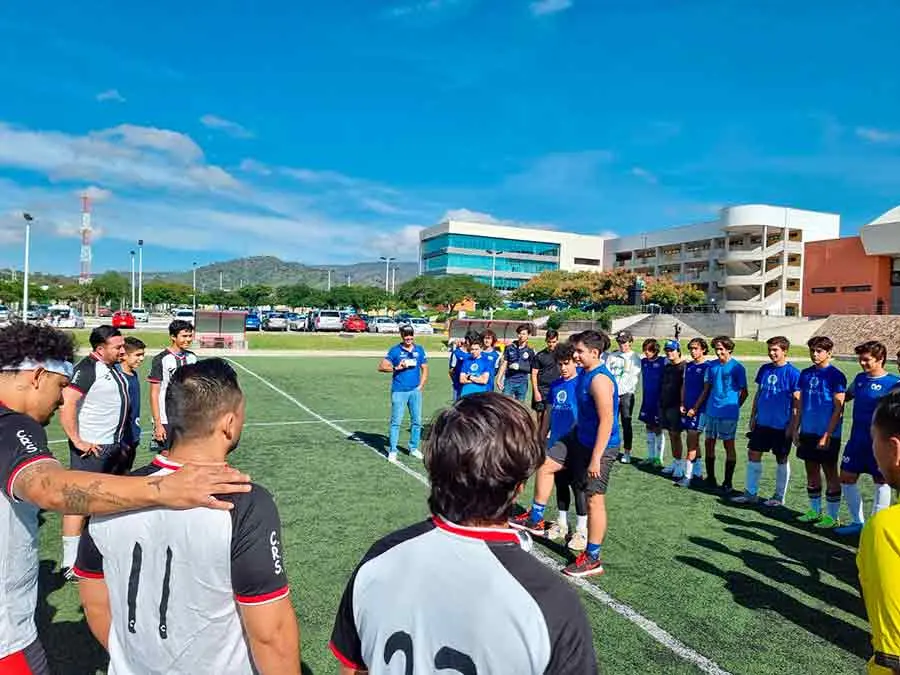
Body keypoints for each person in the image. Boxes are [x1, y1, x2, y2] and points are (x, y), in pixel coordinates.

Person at [0, 322, 250, 673]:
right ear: (37, 376)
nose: (61, 398)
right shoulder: (11, 424)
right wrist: (162, 489)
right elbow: (48, 487)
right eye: (60, 386)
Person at [330, 393, 597, 674]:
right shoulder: (551, 601)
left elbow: (353, 668)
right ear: (519, 486)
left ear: (434, 469)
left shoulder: (379, 558)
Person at [74, 359, 300, 674]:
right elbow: (271, 636)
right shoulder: (245, 502)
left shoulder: (112, 494)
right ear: (229, 423)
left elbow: (95, 604)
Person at [59, 325, 130, 576]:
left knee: (107, 501)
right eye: (117, 347)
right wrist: (77, 441)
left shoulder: (112, 368)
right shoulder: (87, 369)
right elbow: (67, 403)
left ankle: (100, 552)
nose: (123, 350)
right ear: (100, 349)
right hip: (92, 448)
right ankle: (70, 563)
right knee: (78, 502)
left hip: (113, 446)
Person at [834, 341, 900, 536]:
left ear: (880, 359)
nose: (862, 363)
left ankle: (874, 528)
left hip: (880, 443)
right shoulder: (860, 379)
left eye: (866, 359)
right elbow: (847, 395)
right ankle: (858, 522)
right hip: (857, 440)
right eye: (860, 359)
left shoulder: (894, 383)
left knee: (881, 482)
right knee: (846, 477)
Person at [858, 389, 900, 674]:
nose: (873, 449)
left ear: (895, 449)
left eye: (874, 438)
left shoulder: (886, 528)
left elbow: (893, 656)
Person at [732, 336, 801, 506]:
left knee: (781, 458)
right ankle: (751, 493)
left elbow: (797, 403)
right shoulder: (764, 369)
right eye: (770, 350)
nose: (771, 353)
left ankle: (778, 496)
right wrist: (753, 416)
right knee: (753, 453)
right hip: (762, 422)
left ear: (785, 351)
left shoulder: (793, 373)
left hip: (782, 424)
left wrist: (793, 427)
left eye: (775, 350)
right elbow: (759, 394)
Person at [794, 336, 847, 529]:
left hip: (827, 434)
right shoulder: (805, 374)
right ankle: (814, 511)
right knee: (811, 472)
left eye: (819, 351)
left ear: (829, 352)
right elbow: (799, 405)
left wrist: (827, 435)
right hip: (808, 430)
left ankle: (832, 517)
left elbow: (838, 409)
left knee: (830, 472)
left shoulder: (836, 375)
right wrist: (795, 429)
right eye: (812, 351)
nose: (815, 354)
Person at [545, 342, 588, 552]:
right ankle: (561, 523)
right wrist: (541, 436)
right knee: (560, 485)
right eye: (560, 364)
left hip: (578, 445)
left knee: (579, 487)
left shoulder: (583, 383)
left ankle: (581, 530)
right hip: (556, 445)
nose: (563, 368)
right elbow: (549, 414)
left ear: (575, 362)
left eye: (566, 363)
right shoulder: (555, 386)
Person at [693, 336, 748, 494]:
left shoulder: (737, 367)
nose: (718, 352)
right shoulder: (711, 366)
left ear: (729, 349)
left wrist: (734, 407)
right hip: (711, 411)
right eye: (716, 349)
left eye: (721, 349)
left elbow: (744, 392)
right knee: (709, 443)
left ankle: (727, 482)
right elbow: (707, 387)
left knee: (728, 445)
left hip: (728, 413)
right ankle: (711, 478)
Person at [379, 325, 428, 462]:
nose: (409, 338)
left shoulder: (419, 350)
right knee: (396, 422)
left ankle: (413, 448)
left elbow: (425, 368)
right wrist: (396, 367)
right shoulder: (395, 351)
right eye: (406, 335)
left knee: (417, 421)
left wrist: (421, 385)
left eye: (411, 335)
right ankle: (393, 450)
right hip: (399, 391)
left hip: (415, 392)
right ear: (401, 335)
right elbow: (382, 366)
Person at [148, 319, 198, 453]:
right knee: (166, 455)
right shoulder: (161, 359)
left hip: (187, 417)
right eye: (184, 336)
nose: (188, 339)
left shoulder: (192, 358)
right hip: (166, 417)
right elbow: (154, 393)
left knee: (185, 454)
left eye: (190, 336)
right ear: (173, 337)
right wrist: (158, 423)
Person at [676, 338, 710, 487]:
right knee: (693, 440)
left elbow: (706, 389)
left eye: (696, 348)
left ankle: (687, 477)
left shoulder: (707, 367)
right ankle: (697, 472)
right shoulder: (688, 366)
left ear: (703, 349)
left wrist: (695, 408)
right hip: (687, 408)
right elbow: (684, 385)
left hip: (699, 410)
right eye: (691, 348)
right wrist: (682, 403)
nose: (693, 351)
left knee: (691, 440)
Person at [605, 330, 641, 464]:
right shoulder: (612, 356)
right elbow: (607, 374)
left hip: (626, 395)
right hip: (612, 394)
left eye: (625, 342)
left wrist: (621, 393)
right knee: (610, 422)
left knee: (626, 423)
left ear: (630, 342)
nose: (622, 344)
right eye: (620, 342)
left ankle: (627, 452)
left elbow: (633, 379)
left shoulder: (634, 358)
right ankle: (610, 450)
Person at [659, 340, 687, 479]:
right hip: (666, 404)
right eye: (667, 350)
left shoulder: (683, 367)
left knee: (676, 435)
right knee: (671, 434)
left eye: (672, 350)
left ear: (678, 351)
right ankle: (675, 462)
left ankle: (680, 465)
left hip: (677, 405)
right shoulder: (668, 366)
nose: (669, 353)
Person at [119, 336, 146, 466]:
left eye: (142, 355)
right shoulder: (117, 377)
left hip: (133, 435)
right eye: (138, 355)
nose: (141, 358)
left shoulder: (133, 374)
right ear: (124, 355)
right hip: (121, 440)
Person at [638, 338, 665, 466]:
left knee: (658, 428)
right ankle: (650, 456)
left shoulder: (663, 361)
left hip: (658, 401)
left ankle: (659, 458)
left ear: (656, 351)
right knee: (648, 426)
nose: (646, 352)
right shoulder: (643, 362)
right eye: (645, 350)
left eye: (649, 350)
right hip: (647, 400)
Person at [531, 329, 561, 440]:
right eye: (549, 342)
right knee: (540, 417)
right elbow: (534, 374)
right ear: (546, 341)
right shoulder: (540, 355)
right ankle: (538, 440)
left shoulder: (561, 355)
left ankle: (550, 439)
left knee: (553, 416)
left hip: (556, 390)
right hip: (542, 390)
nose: (551, 344)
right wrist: (536, 392)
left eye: (554, 342)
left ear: (557, 341)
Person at [497, 324, 534, 402]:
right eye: (519, 333)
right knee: (505, 403)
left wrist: (520, 366)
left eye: (524, 334)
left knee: (520, 406)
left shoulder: (530, 350)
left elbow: (531, 368)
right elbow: (504, 364)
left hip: (522, 382)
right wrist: (498, 379)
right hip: (509, 380)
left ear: (528, 335)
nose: (521, 336)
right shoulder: (509, 347)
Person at [448, 331, 475, 401]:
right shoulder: (456, 353)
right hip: (458, 387)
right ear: (467, 341)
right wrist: (456, 382)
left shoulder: (475, 354)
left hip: (472, 387)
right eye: (472, 343)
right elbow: (451, 371)